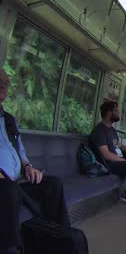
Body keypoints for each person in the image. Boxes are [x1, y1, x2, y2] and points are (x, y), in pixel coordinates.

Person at [0, 69, 70, 254]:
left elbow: (20, 150)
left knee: (53, 184)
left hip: (16, 181)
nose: (3, 86)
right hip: (3, 185)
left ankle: (59, 238)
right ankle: (11, 248)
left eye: (6, 82)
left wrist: (28, 166)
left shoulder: (8, 120)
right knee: (9, 190)